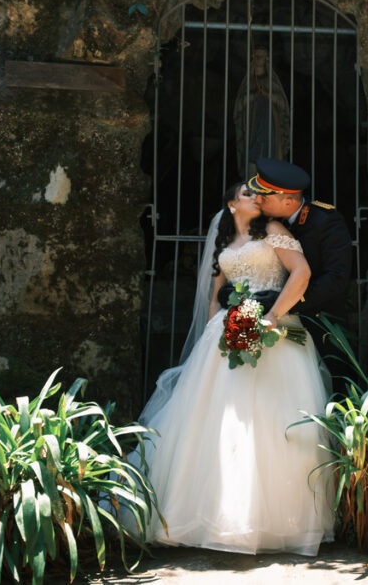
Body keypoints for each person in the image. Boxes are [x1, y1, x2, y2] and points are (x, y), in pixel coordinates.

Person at [136, 182, 334, 555]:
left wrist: (272, 316)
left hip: (275, 330)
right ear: (231, 204)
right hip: (227, 334)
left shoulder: (273, 230)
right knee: (218, 423)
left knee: (272, 420)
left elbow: (301, 273)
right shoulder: (223, 243)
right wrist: (215, 333)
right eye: (247, 194)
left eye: (259, 194)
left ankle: (278, 521)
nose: (256, 198)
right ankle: (205, 515)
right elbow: (215, 296)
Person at [222, 157, 352, 380]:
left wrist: (286, 302)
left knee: (329, 381)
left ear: (288, 202)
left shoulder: (325, 221)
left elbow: (336, 278)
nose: (257, 200)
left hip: (320, 318)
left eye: (264, 197)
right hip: (273, 318)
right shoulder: (266, 221)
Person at [235, 46, 291, 176]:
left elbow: (283, 104)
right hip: (253, 125)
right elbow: (239, 106)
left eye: (260, 56)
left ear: (266, 59)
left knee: (270, 153)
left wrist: (268, 95)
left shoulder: (272, 83)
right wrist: (253, 96)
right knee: (253, 156)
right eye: (255, 56)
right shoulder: (248, 83)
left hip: (270, 126)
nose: (257, 59)